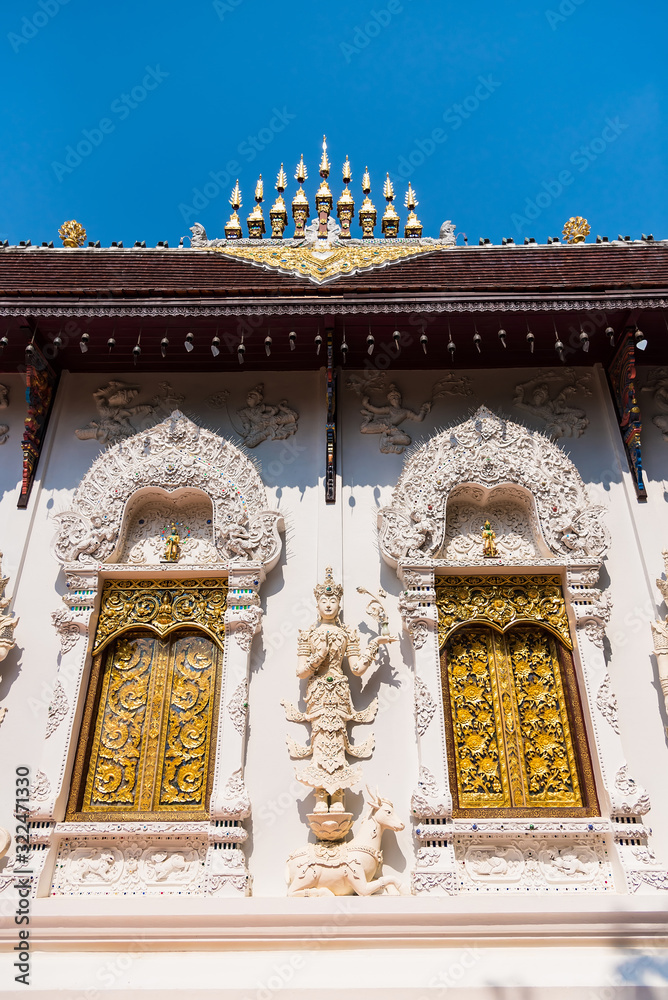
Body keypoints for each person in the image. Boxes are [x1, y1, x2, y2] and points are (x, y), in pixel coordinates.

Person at [282, 568, 395, 813]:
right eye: (324, 600)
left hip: (341, 694)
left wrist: (374, 644)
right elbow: (301, 672)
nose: (329, 604)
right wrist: (318, 656)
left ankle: (339, 797)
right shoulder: (308, 634)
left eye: (333, 600)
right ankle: (321, 795)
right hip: (318, 692)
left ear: (339, 604)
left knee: (339, 741)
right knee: (320, 739)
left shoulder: (347, 633)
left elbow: (356, 669)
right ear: (317, 603)